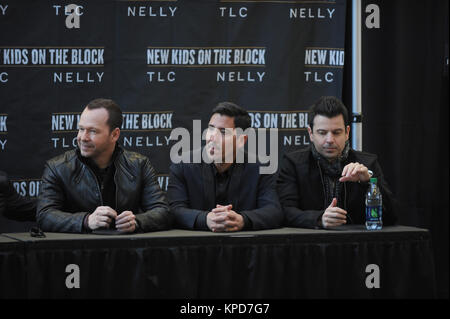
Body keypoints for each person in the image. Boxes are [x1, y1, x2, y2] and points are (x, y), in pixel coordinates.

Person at [37, 98, 170, 233]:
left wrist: (137, 221)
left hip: (126, 251)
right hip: (77, 251)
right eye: (81, 129)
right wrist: (86, 221)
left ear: (114, 134)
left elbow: (163, 211)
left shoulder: (139, 165)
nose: (83, 137)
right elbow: (44, 215)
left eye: (93, 131)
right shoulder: (57, 168)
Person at [277, 96, 397, 228]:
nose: (329, 140)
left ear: (347, 132)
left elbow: (392, 215)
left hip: (359, 245)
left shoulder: (367, 164)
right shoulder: (293, 164)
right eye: (322, 133)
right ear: (311, 133)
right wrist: (318, 219)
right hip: (309, 245)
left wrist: (368, 183)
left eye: (336, 132)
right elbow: (284, 212)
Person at [168, 102, 283, 232]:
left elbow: (274, 211)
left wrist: (243, 220)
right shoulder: (182, 164)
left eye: (223, 132)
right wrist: (205, 219)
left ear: (242, 140)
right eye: (210, 129)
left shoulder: (261, 168)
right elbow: (173, 210)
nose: (212, 137)